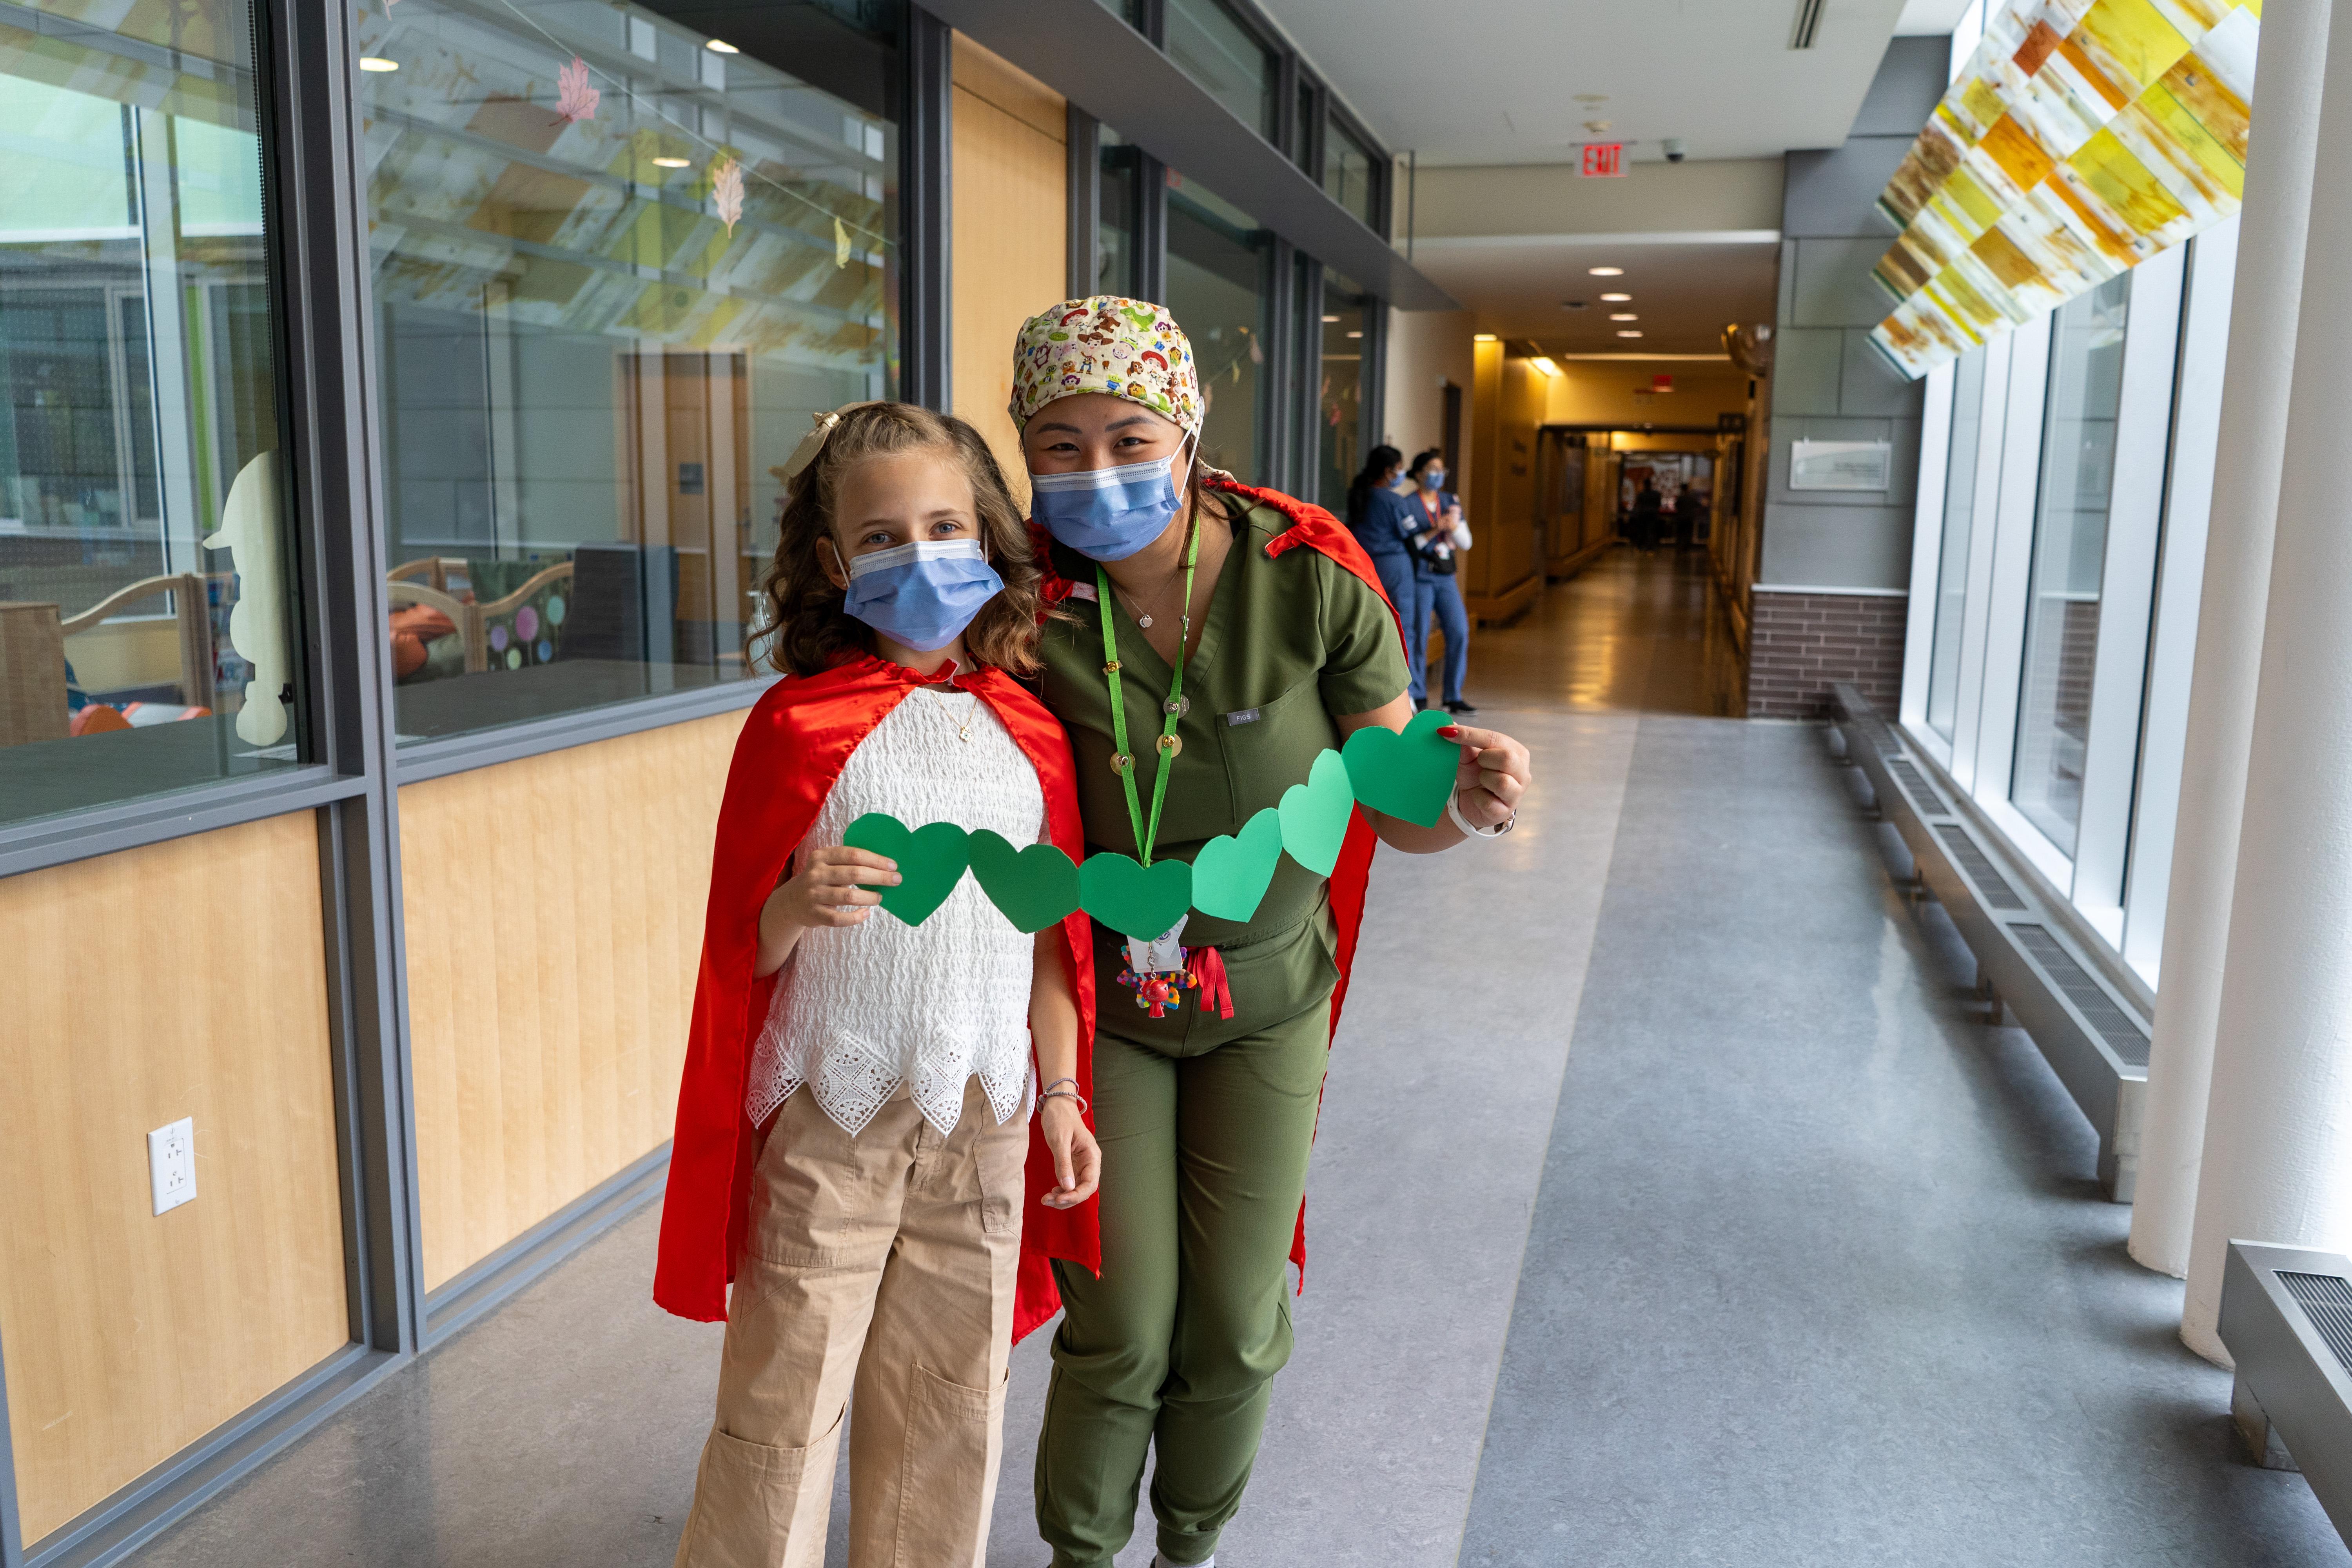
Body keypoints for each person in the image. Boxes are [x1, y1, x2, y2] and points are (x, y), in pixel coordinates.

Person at [1009, 296, 1534, 1568]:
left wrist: (1463, 800)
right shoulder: (1021, 607)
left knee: (1237, 1322)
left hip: (1267, 1001)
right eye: (1060, 446)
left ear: (1189, 433)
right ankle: (1082, 1556)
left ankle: (1191, 1545)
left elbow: (1396, 804)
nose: (1098, 472)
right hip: (1108, 1004)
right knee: (1123, 1324)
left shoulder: (1307, 579)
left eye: (1131, 438)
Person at [654, 403, 1105, 1568]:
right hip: (829, 1121)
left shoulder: (1032, 734)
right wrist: (792, 904)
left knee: (949, 1413)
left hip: (984, 1122)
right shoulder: (797, 727)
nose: (920, 555)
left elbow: (1053, 948)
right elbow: (735, 956)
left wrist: (1060, 1095)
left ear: (988, 537)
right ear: (833, 560)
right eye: (886, 535)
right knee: (780, 1411)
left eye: (944, 525)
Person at [1403, 448, 1475, 714]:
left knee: (1458, 631)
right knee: (1420, 635)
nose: (1437, 475)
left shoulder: (1450, 501)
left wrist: (1453, 526)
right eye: (1432, 469)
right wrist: (1437, 528)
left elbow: (1466, 543)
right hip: (1421, 577)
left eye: (1441, 470)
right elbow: (1413, 544)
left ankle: (1453, 695)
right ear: (1419, 473)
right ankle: (1419, 695)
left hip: (1446, 577)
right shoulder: (1409, 504)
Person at [1342, 444, 1417, 637]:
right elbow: (1410, 535)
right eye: (1399, 467)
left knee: (1370, 625)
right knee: (1402, 629)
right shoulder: (1395, 502)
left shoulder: (1359, 495)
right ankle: (1406, 669)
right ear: (1388, 471)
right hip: (1395, 568)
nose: (1401, 473)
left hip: (1364, 566)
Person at [1631, 477, 1664, 552]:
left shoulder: (1641, 494)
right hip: (1653, 515)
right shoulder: (1656, 494)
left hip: (1642, 515)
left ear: (1644, 485)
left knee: (1641, 531)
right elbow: (1659, 505)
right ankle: (1650, 548)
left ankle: (1640, 547)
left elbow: (1637, 504)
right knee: (1651, 531)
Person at [1674, 482, 1708, 550]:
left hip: (1681, 518)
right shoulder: (1692, 498)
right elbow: (1699, 505)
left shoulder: (1680, 498)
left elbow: (1676, 506)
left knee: (1680, 532)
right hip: (1690, 518)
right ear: (1688, 489)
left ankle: (1679, 546)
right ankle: (1686, 547)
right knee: (1688, 532)